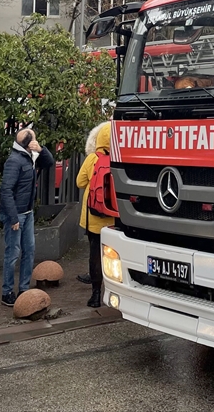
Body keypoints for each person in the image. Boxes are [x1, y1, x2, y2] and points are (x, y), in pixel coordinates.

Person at [0, 125, 55, 306]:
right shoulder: (15, 161)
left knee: (29, 250)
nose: (36, 142)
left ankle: (23, 289)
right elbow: (6, 190)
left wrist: (40, 150)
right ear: (28, 143)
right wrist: (13, 217)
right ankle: (7, 292)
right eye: (34, 140)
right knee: (13, 253)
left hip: (28, 213)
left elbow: (49, 162)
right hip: (17, 215)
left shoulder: (29, 157)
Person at [76, 121, 117, 308]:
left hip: (94, 217)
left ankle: (96, 294)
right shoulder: (120, 160)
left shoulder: (92, 158)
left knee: (94, 254)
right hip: (114, 218)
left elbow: (79, 182)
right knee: (113, 254)